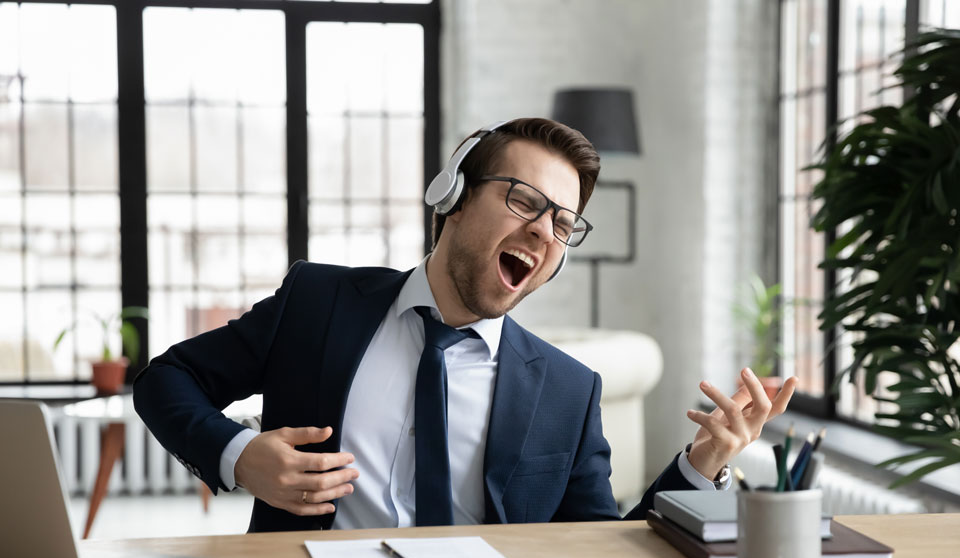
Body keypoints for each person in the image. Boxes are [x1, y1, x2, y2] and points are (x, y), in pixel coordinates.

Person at [134, 118, 797, 533]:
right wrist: (239, 456)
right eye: (523, 201)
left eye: (562, 224)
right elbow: (168, 379)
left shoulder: (569, 390)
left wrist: (702, 465)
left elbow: (601, 552)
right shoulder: (320, 302)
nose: (543, 230)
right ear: (451, 199)